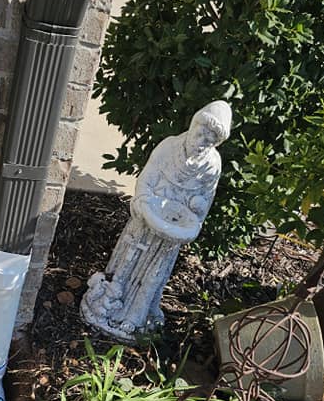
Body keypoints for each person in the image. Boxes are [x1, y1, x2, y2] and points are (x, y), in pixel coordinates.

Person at [81, 101, 232, 340]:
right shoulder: (169, 147)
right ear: (194, 124)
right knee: (126, 264)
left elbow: (205, 198)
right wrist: (143, 201)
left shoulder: (212, 165)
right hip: (147, 218)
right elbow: (147, 178)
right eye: (202, 131)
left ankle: (135, 317)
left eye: (211, 138)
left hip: (170, 230)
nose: (203, 140)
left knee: (154, 274)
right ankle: (107, 299)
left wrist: (197, 206)